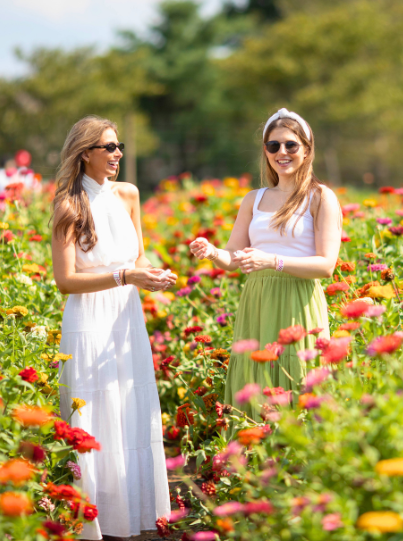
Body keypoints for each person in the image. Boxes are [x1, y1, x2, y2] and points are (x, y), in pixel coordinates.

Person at [51, 116, 175, 540]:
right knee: (94, 413)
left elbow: (136, 259)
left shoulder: (129, 195)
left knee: (128, 407)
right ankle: (95, 521)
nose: (118, 153)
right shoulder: (70, 206)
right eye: (108, 147)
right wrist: (126, 276)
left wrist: (150, 275)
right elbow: (65, 281)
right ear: (85, 153)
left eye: (119, 145)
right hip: (88, 318)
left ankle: (131, 514)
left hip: (126, 316)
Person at [190, 108, 342, 421]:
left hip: (299, 300)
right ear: (265, 151)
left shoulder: (320, 197)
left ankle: (299, 464)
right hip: (257, 300)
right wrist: (212, 251)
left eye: (291, 145)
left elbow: (327, 265)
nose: (281, 152)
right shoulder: (253, 199)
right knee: (255, 380)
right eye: (273, 146)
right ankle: (252, 461)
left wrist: (272, 260)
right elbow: (234, 257)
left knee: (297, 376)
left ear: (307, 149)